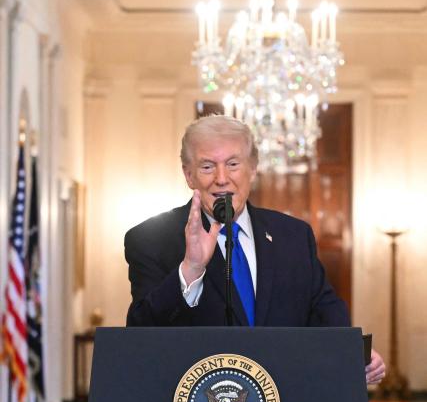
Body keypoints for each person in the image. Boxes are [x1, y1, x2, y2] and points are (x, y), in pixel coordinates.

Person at [125, 115, 385, 385]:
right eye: (206, 166)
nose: (221, 178)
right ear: (188, 175)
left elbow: (323, 308)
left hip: (287, 398)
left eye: (233, 164)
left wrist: (354, 351)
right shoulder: (149, 239)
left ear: (253, 169)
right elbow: (141, 331)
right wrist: (191, 268)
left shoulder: (293, 236)